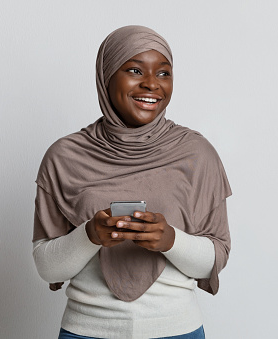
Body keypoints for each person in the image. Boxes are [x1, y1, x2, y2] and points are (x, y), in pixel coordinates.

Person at [32, 25, 231, 339]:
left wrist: (170, 240)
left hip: (176, 330)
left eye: (164, 73)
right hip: (86, 331)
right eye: (135, 70)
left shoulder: (196, 154)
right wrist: (89, 235)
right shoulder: (65, 156)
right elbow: (47, 267)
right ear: (106, 76)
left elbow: (215, 259)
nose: (151, 84)